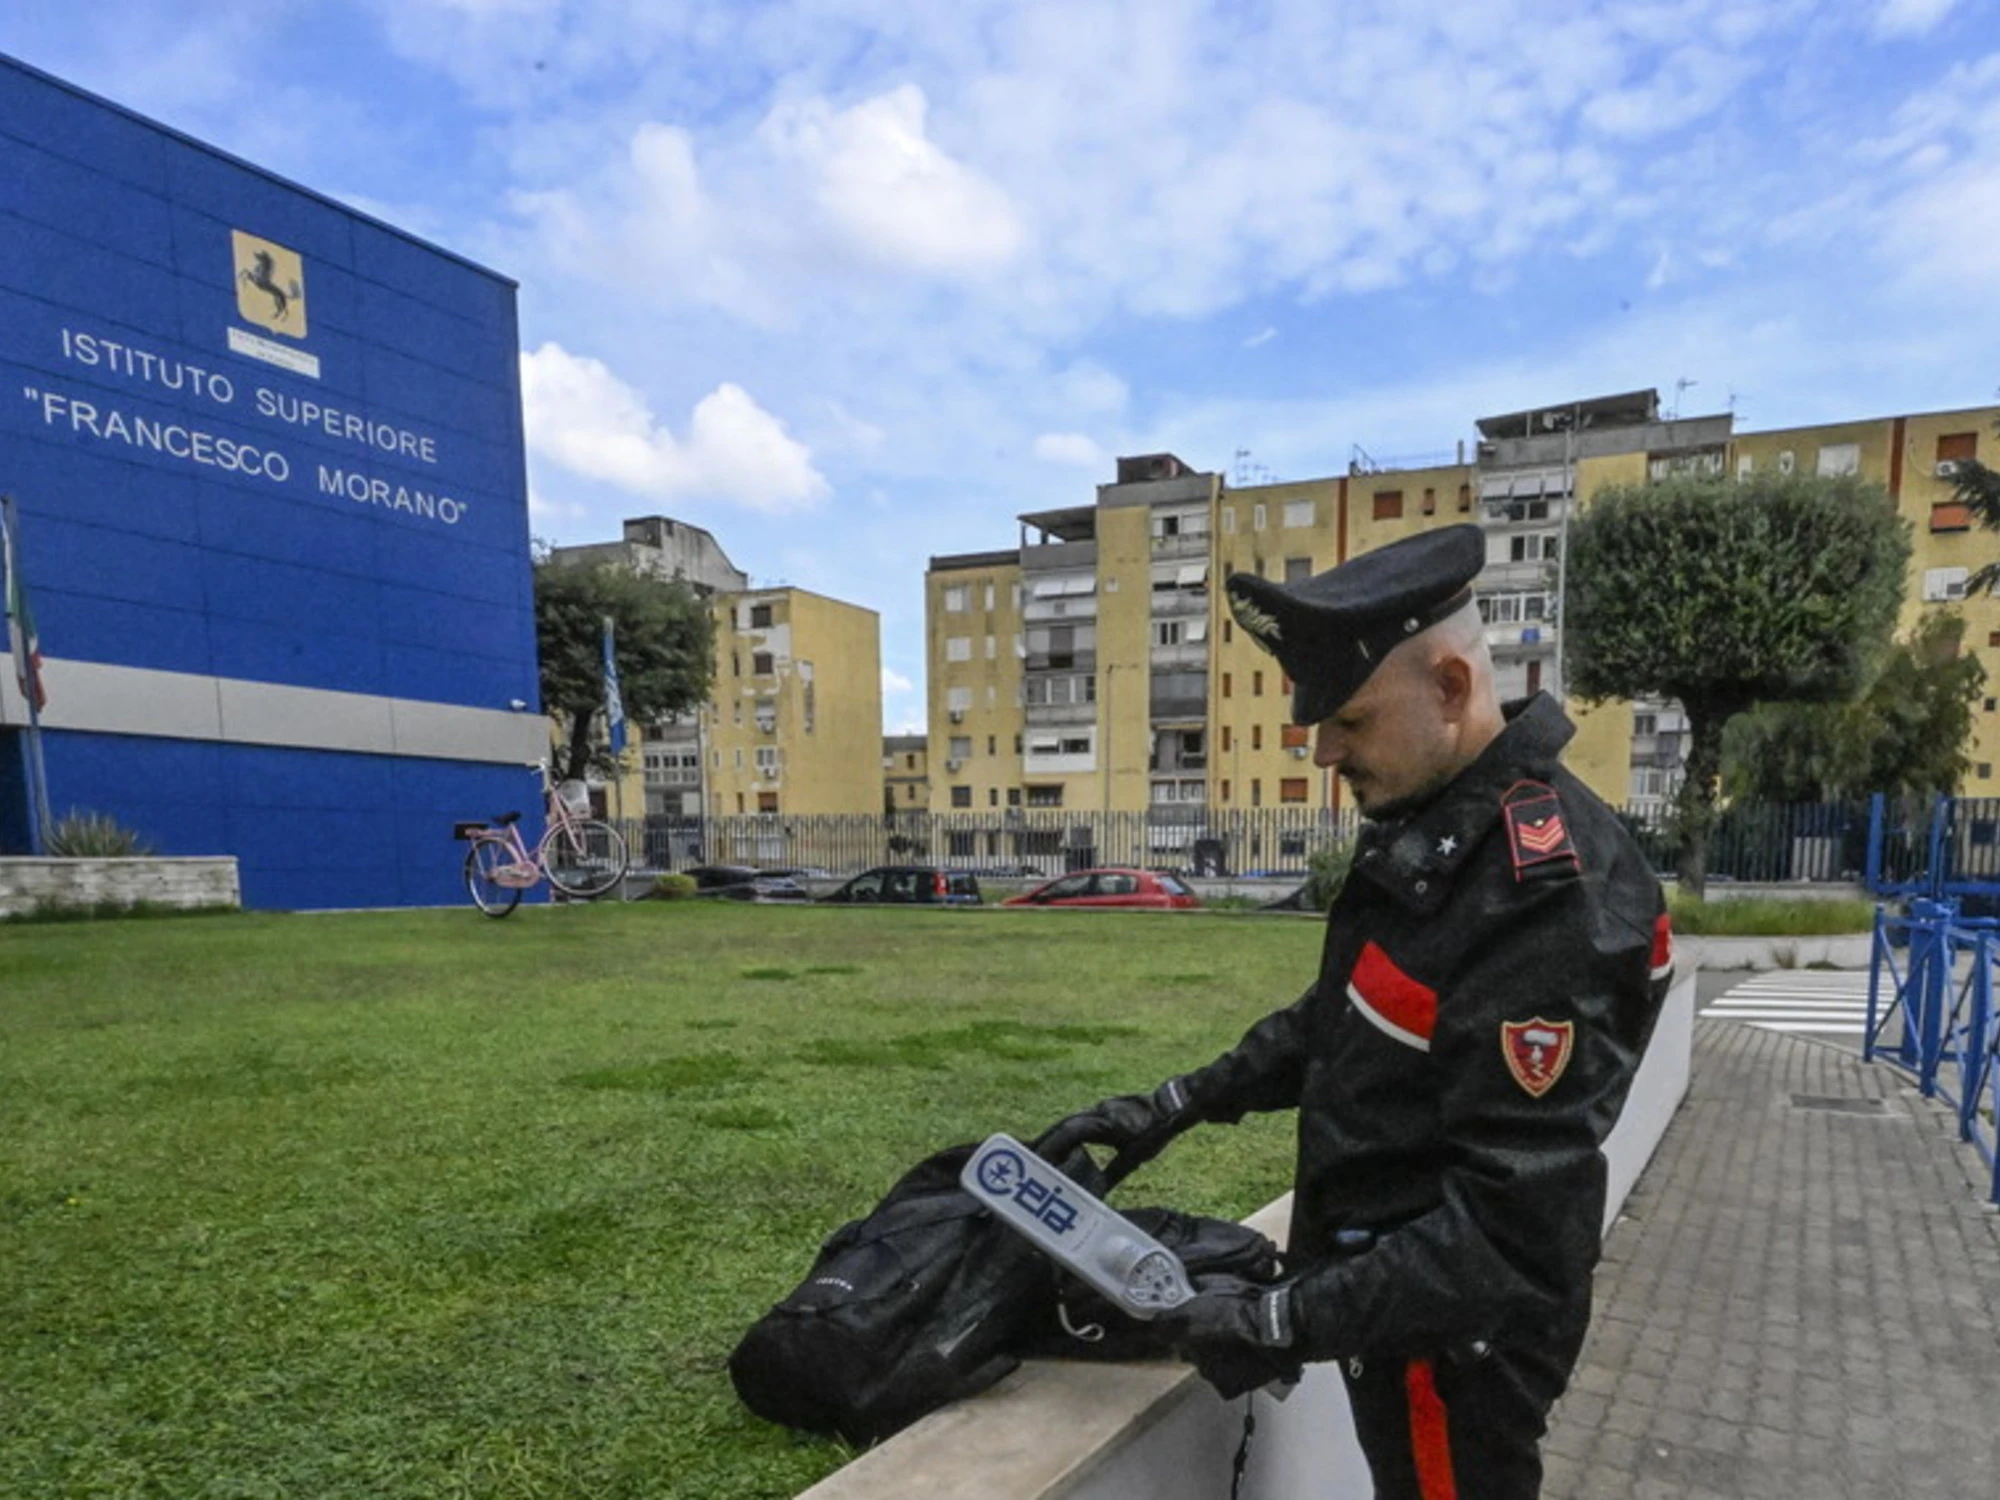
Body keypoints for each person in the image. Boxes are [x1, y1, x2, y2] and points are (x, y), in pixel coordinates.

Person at [1038, 524, 1672, 1500]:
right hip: (1397, 1314)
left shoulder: (1545, 896)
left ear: (1451, 690)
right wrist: (1171, 1103)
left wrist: (1273, 1325)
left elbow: (1508, 1234)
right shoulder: (1440, 829)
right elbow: (1344, 1021)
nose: (1322, 746)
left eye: (1350, 719)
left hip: (1452, 1353)